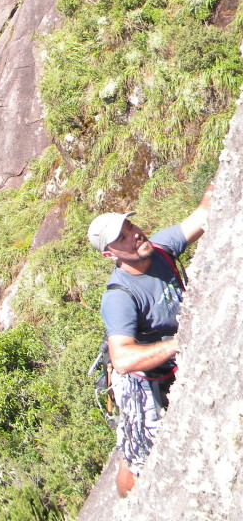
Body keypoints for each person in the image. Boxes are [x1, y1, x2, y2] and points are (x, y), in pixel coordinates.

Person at [88, 185, 213, 497]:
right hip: (143, 376)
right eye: (122, 238)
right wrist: (180, 343)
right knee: (137, 455)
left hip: (174, 355)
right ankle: (127, 505)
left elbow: (204, 214)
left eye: (130, 226)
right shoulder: (119, 297)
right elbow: (123, 360)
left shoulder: (160, 248)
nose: (134, 235)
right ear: (109, 254)